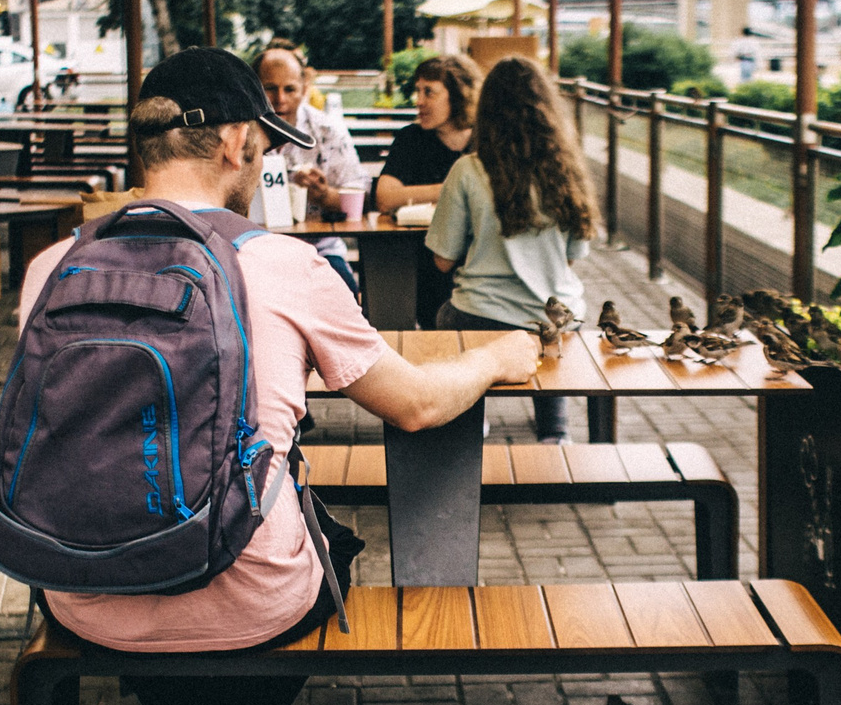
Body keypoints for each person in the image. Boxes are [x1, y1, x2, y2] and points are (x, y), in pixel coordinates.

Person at [13, 47, 539, 705]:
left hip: (80, 588)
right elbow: (415, 405)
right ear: (232, 144)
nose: (268, 160)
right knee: (333, 559)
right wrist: (500, 356)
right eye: (264, 142)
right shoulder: (286, 264)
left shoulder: (50, 268)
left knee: (205, 572)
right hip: (243, 590)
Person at [424, 56, 598, 443]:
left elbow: (442, 259)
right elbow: (572, 257)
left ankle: (470, 415)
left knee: (444, 316)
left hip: (480, 316)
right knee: (548, 328)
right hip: (560, 318)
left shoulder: (468, 170)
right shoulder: (567, 171)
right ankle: (555, 429)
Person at [375, 52, 479, 325]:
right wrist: (454, 190)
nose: (418, 101)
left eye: (429, 92)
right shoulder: (412, 138)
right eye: (417, 91)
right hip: (426, 263)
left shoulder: (487, 139)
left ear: (457, 96)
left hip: (479, 266)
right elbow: (385, 198)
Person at [253, 41, 367, 290]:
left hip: (318, 252)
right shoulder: (239, 132)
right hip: (254, 251)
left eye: (290, 89)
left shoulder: (327, 130)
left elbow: (360, 196)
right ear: (254, 88)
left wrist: (325, 195)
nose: (280, 99)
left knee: (345, 293)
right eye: (270, 89)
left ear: (304, 89)